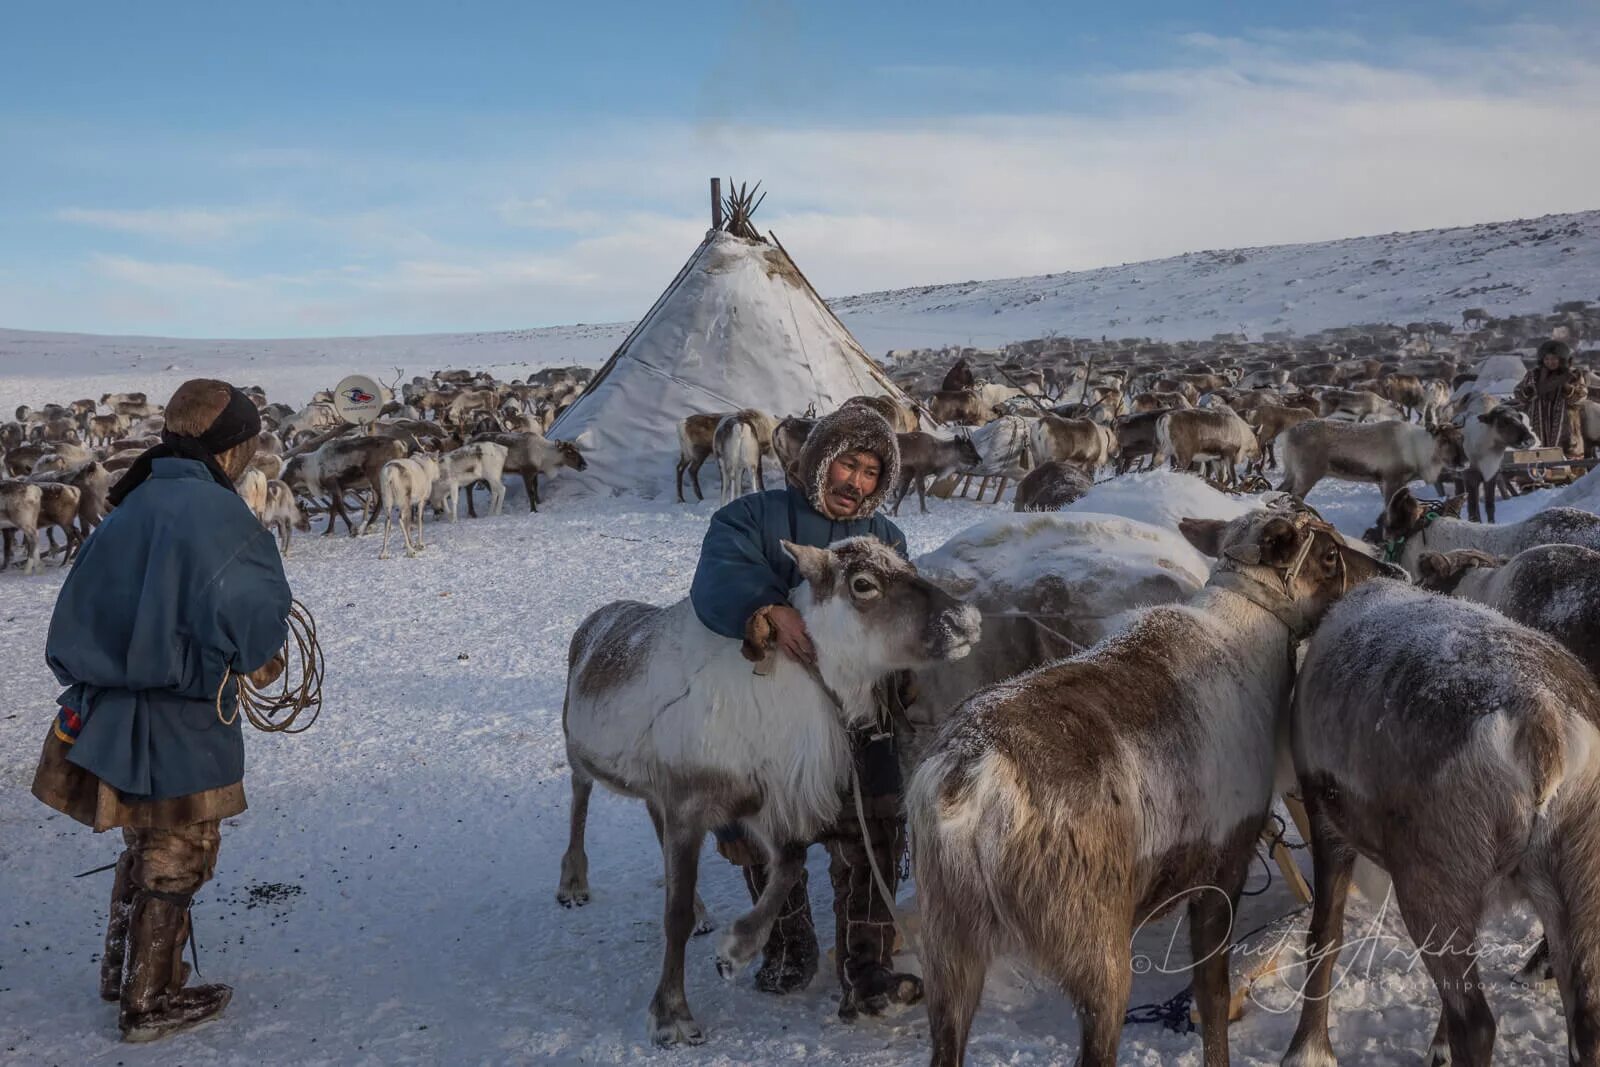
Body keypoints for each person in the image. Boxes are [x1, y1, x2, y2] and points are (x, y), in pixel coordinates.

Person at [31, 379, 293, 1042]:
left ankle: (123, 971)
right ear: (232, 447)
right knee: (182, 850)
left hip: (110, 718)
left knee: (144, 840)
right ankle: (148, 1002)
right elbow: (256, 628)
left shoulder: (128, 505)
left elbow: (71, 623)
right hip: (183, 721)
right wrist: (255, 662)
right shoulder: (220, 517)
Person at [689, 403, 922, 1020]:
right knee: (770, 832)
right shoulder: (750, 518)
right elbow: (719, 577)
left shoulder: (887, 540)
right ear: (820, 460)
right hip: (768, 715)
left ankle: (867, 963)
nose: (857, 482)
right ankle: (788, 946)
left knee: (873, 832)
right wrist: (768, 606)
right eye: (848, 463)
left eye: (872, 471)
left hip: (857, 719)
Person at [1516, 339, 1588, 460]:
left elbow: (1581, 396)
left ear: (1562, 359)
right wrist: (1527, 392)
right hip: (1537, 422)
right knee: (1538, 456)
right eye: (1547, 359)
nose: (1550, 362)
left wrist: (1567, 388)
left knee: (1568, 459)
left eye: (1554, 358)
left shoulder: (1572, 375)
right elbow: (1518, 392)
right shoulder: (1533, 375)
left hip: (1565, 423)